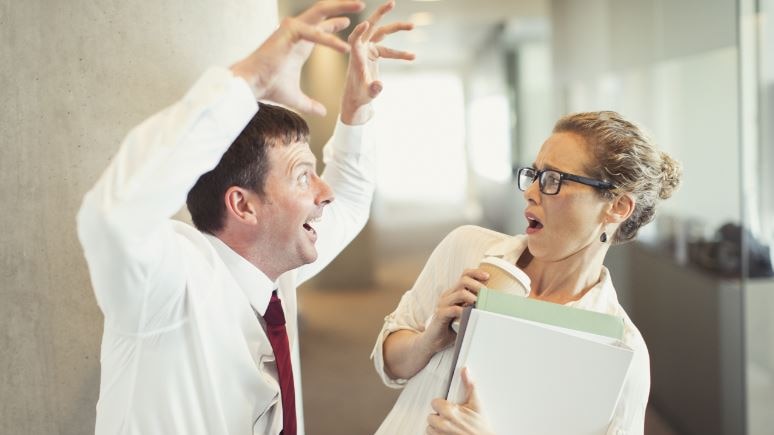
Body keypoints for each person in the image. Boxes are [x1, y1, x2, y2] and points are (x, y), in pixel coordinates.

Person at [76, 1, 413, 434]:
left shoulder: (272, 273)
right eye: (303, 177)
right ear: (243, 206)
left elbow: (347, 198)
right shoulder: (170, 283)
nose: (323, 193)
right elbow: (112, 217)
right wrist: (249, 78)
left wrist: (355, 111)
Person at [371, 111, 682, 435]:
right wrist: (427, 341)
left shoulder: (623, 351)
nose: (530, 191)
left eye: (553, 180)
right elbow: (389, 363)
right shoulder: (467, 251)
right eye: (534, 174)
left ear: (617, 207)